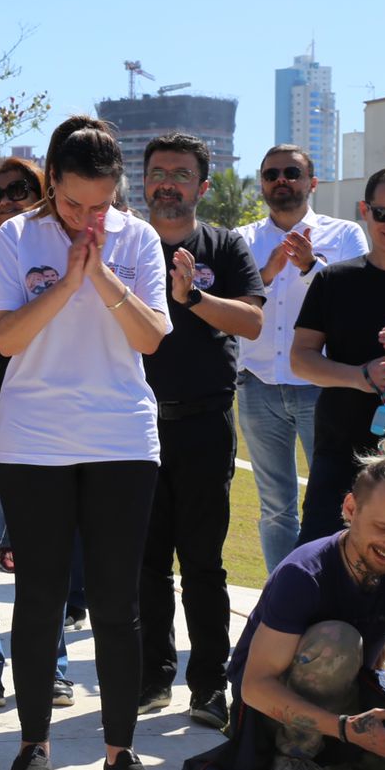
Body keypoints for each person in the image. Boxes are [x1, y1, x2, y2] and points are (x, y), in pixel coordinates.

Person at [0, 114, 172, 770]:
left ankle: (121, 755)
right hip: (33, 439)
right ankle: (34, 748)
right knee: (38, 598)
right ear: (51, 182)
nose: (86, 218)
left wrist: (102, 277)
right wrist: (65, 281)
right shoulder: (16, 235)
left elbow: (151, 338)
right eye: (71, 203)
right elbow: (4, 339)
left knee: (118, 605)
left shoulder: (139, 238)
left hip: (121, 438)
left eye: (100, 205)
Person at [180, 435, 385, 770]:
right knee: (336, 641)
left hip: (351, 696)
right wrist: (345, 729)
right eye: (383, 528)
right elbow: (255, 687)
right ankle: (295, 760)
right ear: (350, 509)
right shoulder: (304, 574)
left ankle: (345, 764)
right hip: (272, 709)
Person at [135, 134, 265, 731]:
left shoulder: (224, 244)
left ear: (202, 186)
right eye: (159, 172)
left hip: (205, 424)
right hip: (135, 425)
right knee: (144, 562)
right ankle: (150, 678)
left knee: (205, 565)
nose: (168, 183)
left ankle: (209, 685)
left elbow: (253, 322)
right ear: (143, 181)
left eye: (181, 174)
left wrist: (193, 297)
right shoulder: (127, 244)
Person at [0, 158, 80, 712]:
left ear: (44, 193)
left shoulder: (58, 253)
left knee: (41, 550)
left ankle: (49, 665)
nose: (5, 200)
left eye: (19, 190)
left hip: (43, 415)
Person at [234, 145, 369, 572]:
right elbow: (231, 304)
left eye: (292, 172)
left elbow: (353, 303)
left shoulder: (345, 235)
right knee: (275, 507)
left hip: (320, 386)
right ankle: (282, 605)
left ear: (313, 182)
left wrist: (312, 267)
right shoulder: (242, 240)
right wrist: (268, 272)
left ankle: (332, 600)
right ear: (261, 183)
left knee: (334, 500)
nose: (281, 180)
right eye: (271, 173)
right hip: (257, 385)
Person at [292, 166, 385, 549]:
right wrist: (361, 376)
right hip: (343, 450)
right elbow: (301, 359)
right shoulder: (334, 280)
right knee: (324, 557)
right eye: (383, 213)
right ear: (364, 211)